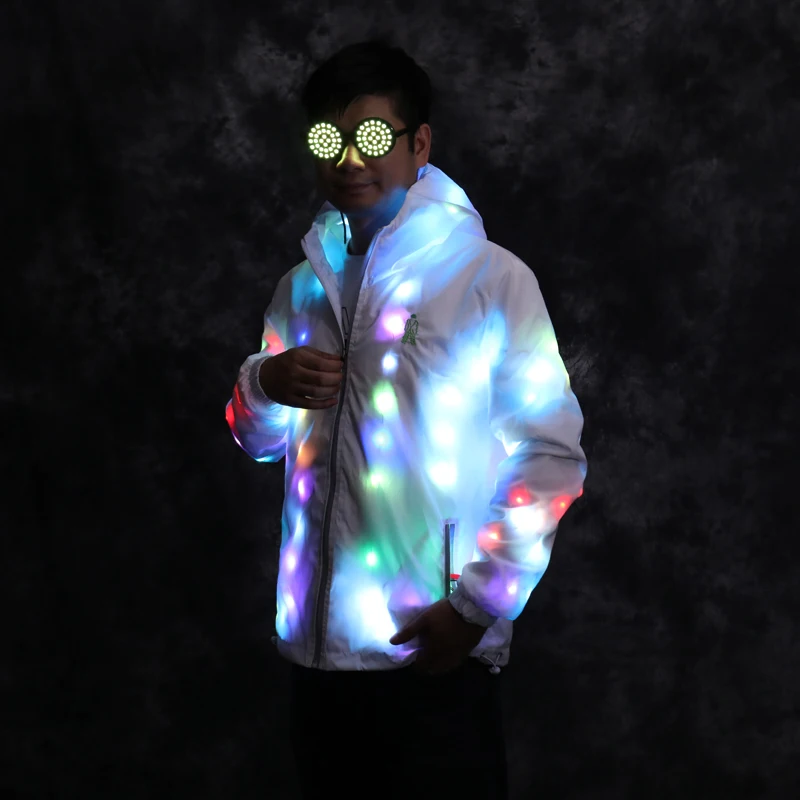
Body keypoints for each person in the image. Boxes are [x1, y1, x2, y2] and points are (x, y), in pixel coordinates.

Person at [226, 38, 588, 799]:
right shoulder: (301, 289)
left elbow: (549, 456)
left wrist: (475, 607)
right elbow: (257, 441)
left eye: (371, 136)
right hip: (316, 661)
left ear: (419, 144)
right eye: (329, 140)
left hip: (430, 653)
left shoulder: (488, 279)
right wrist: (265, 383)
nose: (349, 160)